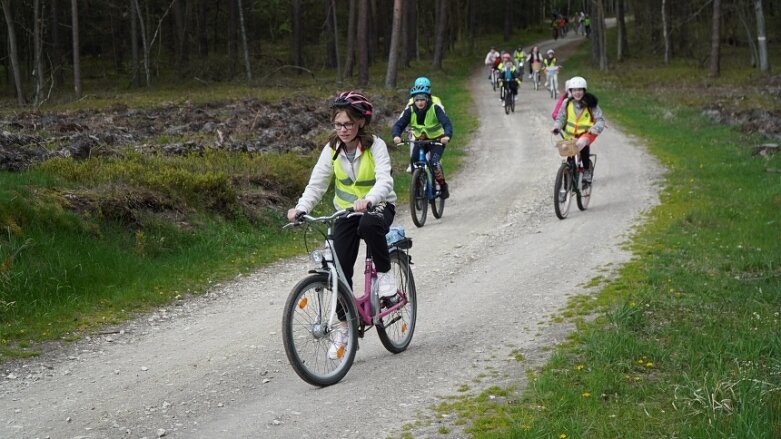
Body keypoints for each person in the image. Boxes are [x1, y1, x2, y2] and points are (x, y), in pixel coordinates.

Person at [287, 91, 397, 359]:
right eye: (338, 124)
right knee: (337, 270)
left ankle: (385, 276)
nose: (343, 130)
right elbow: (318, 183)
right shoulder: (332, 149)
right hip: (345, 212)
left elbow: (385, 180)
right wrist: (302, 208)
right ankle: (345, 328)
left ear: (360, 122)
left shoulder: (376, 146)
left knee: (370, 225)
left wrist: (370, 199)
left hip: (378, 205)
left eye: (348, 124)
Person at [392, 79, 453, 199]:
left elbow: (447, 123)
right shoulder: (410, 110)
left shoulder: (435, 108)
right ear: (414, 100)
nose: (420, 102)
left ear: (427, 99)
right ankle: (419, 185)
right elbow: (399, 124)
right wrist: (396, 135)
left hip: (437, 141)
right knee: (414, 160)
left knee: (434, 163)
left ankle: (442, 185)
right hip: (421, 140)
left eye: (422, 99)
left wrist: (447, 136)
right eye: (417, 100)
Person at [551, 76, 606, 184]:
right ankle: (565, 189)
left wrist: (595, 129)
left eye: (580, 90)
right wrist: (556, 127)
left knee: (581, 143)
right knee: (568, 159)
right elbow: (560, 118)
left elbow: (600, 120)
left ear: (584, 90)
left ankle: (586, 169)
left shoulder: (591, 103)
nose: (577, 93)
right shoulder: (566, 103)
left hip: (587, 134)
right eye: (574, 90)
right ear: (570, 91)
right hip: (570, 135)